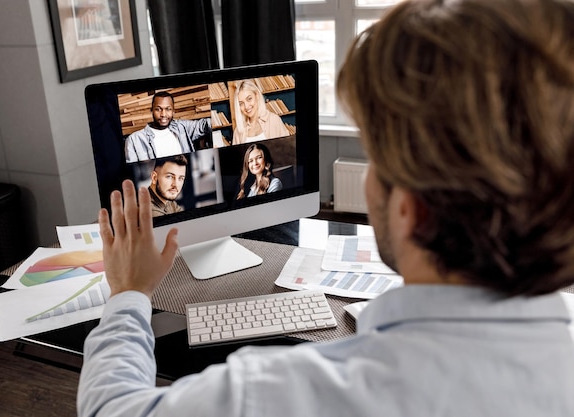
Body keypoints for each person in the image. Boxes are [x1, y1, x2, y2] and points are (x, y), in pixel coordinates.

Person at [78, 0, 574, 416]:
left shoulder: (278, 394)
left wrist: (128, 293)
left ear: (414, 210)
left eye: (376, 154)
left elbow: (111, 408)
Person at [125, 91, 211, 163]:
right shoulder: (134, 140)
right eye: (158, 109)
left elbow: (205, 124)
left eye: (168, 109)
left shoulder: (182, 127)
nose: (163, 114)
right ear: (151, 111)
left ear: (173, 111)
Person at [231, 79, 289, 145]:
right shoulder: (238, 131)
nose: (246, 106)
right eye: (241, 103)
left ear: (257, 95)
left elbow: (288, 149)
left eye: (249, 99)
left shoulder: (274, 120)